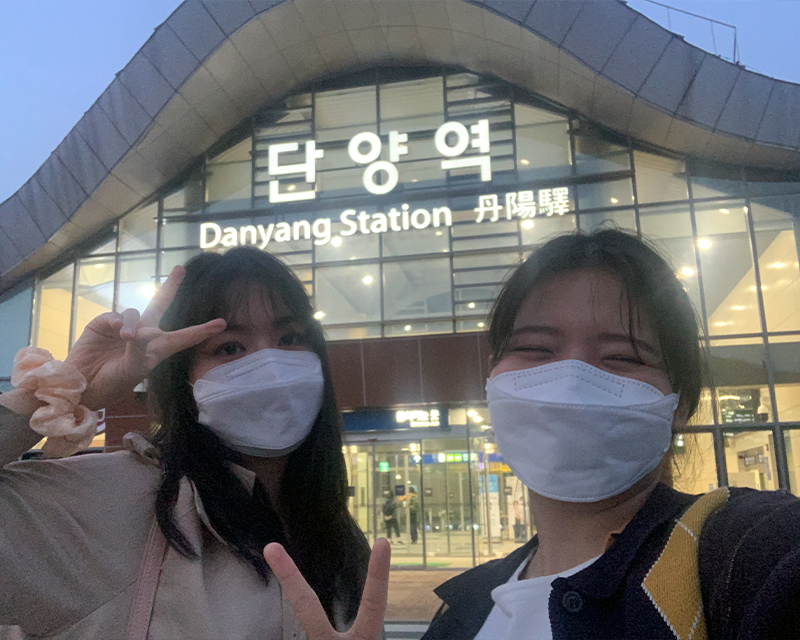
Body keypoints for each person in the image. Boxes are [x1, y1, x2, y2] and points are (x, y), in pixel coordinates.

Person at [264, 229, 800, 640]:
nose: (570, 379)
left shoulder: (744, 554)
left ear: (678, 403)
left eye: (621, 357)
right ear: (494, 380)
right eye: (537, 351)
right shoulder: (465, 608)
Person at [0, 247, 373, 639]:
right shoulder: (108, 503)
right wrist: (59, 391)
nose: (272, 368)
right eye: (230, 347)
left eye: (290, 337)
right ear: (185, 382)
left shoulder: (338, 536)